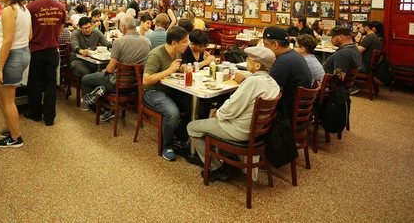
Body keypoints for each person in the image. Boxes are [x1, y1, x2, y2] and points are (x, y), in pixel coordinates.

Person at [187, 47, 280, 179]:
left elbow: (232, 109)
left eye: (248, 59)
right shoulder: (273, 83)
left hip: (239, 130)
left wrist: (217, 113)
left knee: (192, 127)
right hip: (258, 131)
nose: (246, 61)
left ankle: (216, 167)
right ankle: (226, 158)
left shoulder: (253, 82)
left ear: (258, 65)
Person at [80, 16, 151, 121]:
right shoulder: (147, 41)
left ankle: (89, 106)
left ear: (123, 27)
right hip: (136, 86)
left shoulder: (119, 42)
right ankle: (101, 93)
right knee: (101, 78)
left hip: (117, 85)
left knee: (87, 78)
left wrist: (105, 71)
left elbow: (110, 68)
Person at [0, 0, 31, 148]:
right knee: (0, 93)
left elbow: (7, 41)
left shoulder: (8, 10)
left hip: (11, 55)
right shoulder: (24, 9)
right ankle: (11, 127)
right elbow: (29, 36)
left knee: (8, 100)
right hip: (22, 52)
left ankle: (15, 138)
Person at [142, 26, 191, 161]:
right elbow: (146, 80)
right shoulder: (156, 54)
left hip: (171, 90)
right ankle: (167, 146)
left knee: (195, 106)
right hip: (152, 92)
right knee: (172, 113)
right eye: (185, 41)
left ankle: (180, 135)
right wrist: (170, 70)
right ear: (174, 43)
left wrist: (180, 69)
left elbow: (173, 70)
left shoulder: (177, 52)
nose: (187, 44)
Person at [24, 0, 66, 126]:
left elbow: (26, 30)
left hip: (36, 50)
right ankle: (49, 117)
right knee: (50, 83)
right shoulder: (60, 7)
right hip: (53, 50)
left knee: (34, 82)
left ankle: (34, 113)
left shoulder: (30, 7)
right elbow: (60, 30)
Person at [260, 26, 311, 115]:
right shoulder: (295, 55)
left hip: (288, 112)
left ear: (275, 45)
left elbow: (267, 89)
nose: (264, 48)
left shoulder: (283, 61)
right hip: (300, 107)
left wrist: (244, 80)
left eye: (265, 45)